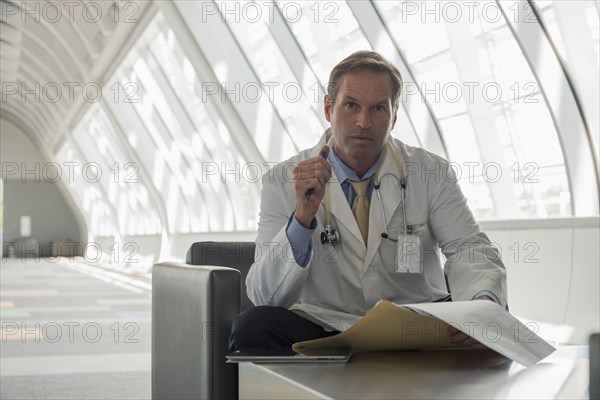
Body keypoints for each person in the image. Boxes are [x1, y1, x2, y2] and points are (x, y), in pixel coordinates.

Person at [229, 51, 507, 353]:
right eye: (351, 106)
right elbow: (263, 294)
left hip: (415, 319)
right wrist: (302, 217)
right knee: (253, 327)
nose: (364, 122)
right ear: (328, 108)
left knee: (487, 312)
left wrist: (482, 301)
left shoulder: (430, 171)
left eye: (378, 109)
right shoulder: (282, 180)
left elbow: (469, 247)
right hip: (326, 323)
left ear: (394, 116)